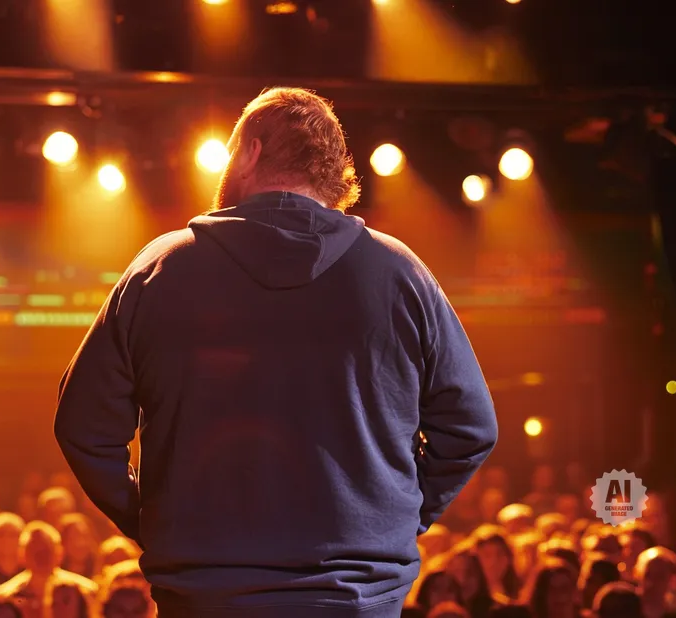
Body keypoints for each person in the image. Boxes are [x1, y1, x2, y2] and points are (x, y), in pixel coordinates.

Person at [55, 86, 498, 617]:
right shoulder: (401, 274)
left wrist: (153, 518)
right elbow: (470, 428)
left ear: (251, 152)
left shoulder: (160, 270)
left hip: (205, 596)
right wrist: (393, 518)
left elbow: (83, 425)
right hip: (358, 598)